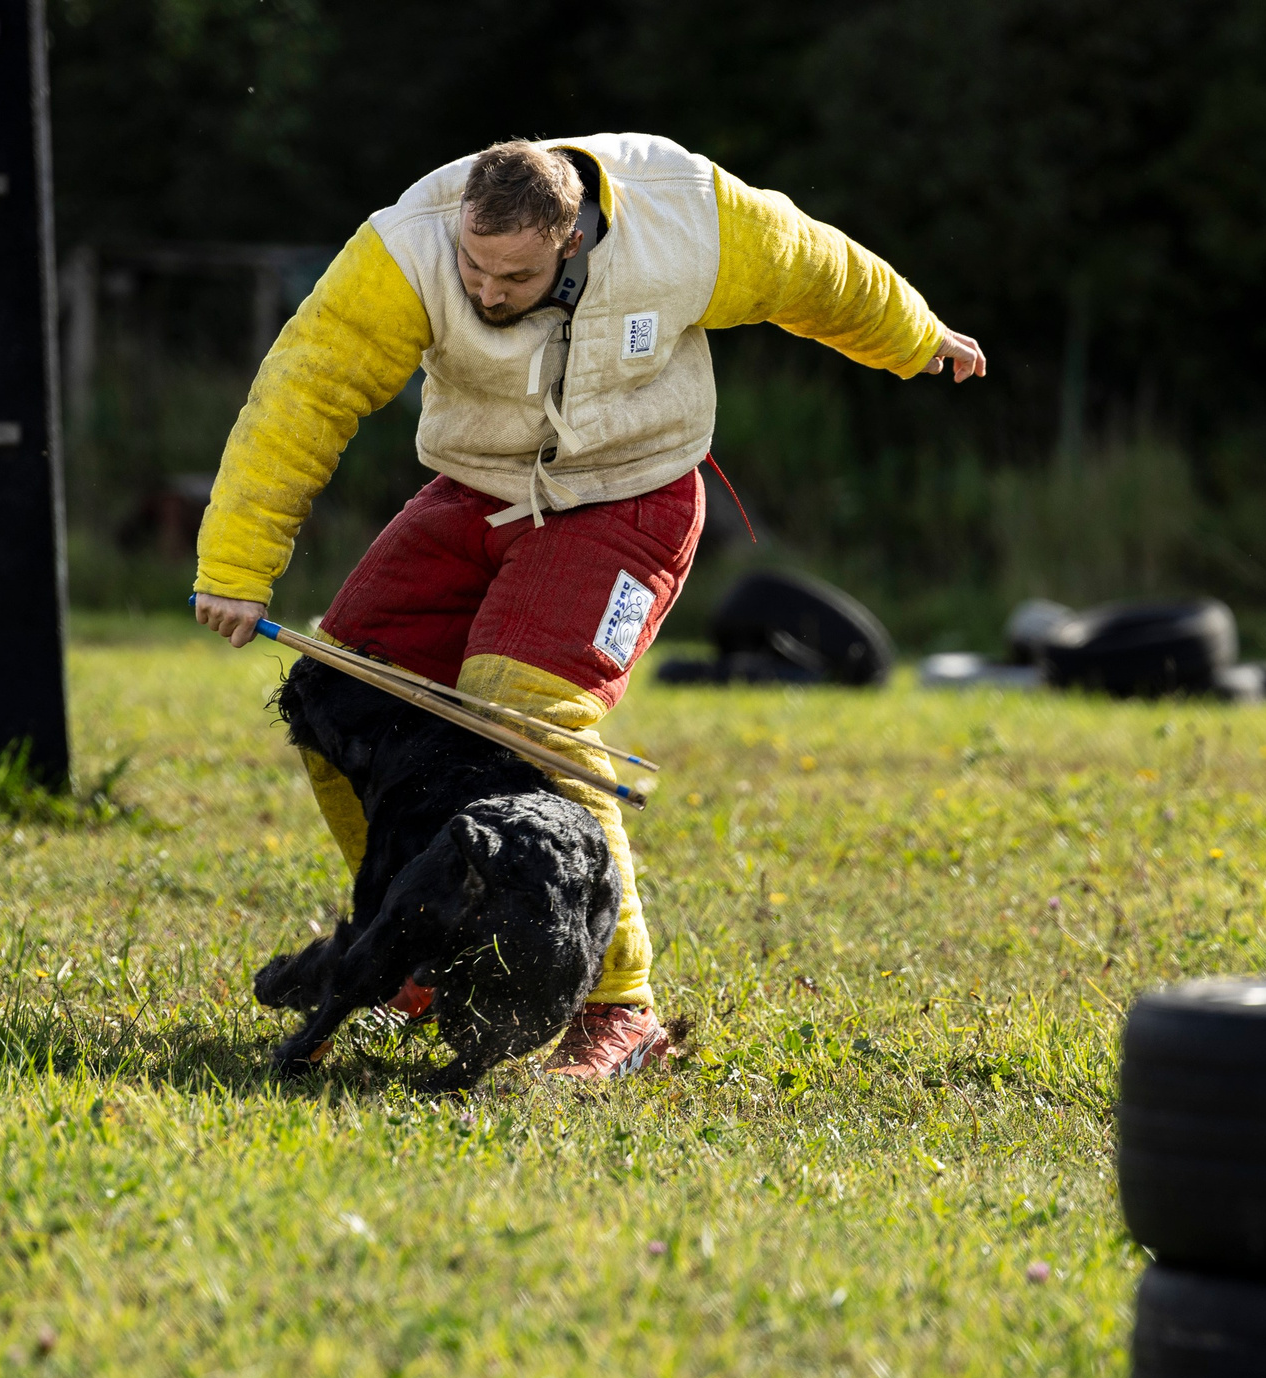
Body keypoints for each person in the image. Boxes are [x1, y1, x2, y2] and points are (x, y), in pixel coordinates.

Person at [192, 134, 985, 1079]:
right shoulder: (404, 250)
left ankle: (620, 1008)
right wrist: (237, 563)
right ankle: (414, 949)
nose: (486, 292)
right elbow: (302, 394)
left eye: (515, 275)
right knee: (338, 696)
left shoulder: (682, 215)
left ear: (572, 240)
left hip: (634, 491)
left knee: (529, 708)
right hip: (478, 488)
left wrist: (917, 335)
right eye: (474, 268)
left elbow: (812, 267)